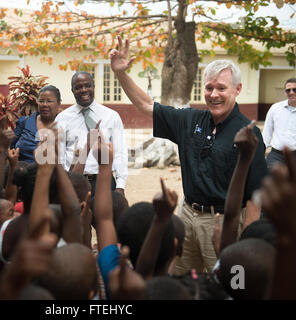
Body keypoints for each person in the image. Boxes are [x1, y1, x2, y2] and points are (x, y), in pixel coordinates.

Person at [109, 36, 267, 275]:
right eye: (209, 88)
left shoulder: (249, 133)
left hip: (222, 223)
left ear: (237, 89)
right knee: (178, 279)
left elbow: (255, 196)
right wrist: (121, 74)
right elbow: (146, 105)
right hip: (186, 216)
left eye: (221, 88)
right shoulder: (191, 120)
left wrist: (247, 241)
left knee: (225, 282)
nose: (214, 94)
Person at [56, 71, 128, 196]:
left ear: (93, 87)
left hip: (103, 180)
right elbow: (60, 157)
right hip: (74, 181)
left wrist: (120, 186)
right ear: (72, 90)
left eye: (87, 85)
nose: (83, 90)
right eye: (78, 87)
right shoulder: (62, 118)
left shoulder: (111, 116)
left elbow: (120, 152)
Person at [262, 78, 296, 184]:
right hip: (276, 156)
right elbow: (266, 134)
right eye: (288, 90)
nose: (291, 93)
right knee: (273, 190)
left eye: (295, 90)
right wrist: (260, 154)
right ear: (285, 92)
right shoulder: (275, 108)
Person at [10, 85, 62, 163]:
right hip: (22, 172)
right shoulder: (24, 122)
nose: (44, 104)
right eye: (41, 101)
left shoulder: (63, 125)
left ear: (58, 103)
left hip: (50, 173)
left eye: (49, 101)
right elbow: (10, 149)